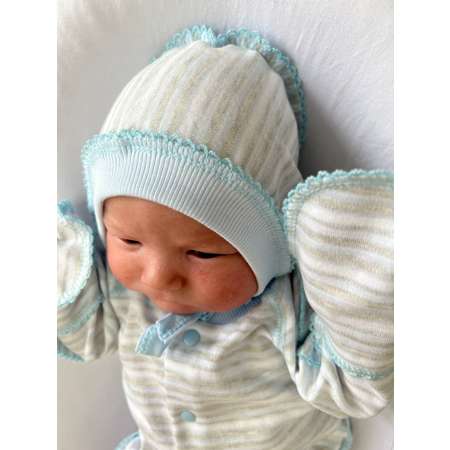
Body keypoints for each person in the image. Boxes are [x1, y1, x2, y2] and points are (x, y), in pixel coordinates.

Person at [57, 24, 394, 450]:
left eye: (201, 253)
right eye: (129, 242)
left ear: (267, 252)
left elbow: (345, 385)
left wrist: (364, 271)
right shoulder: (119, 292)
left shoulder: (284, 307)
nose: (158, 276)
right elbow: (83, 333)